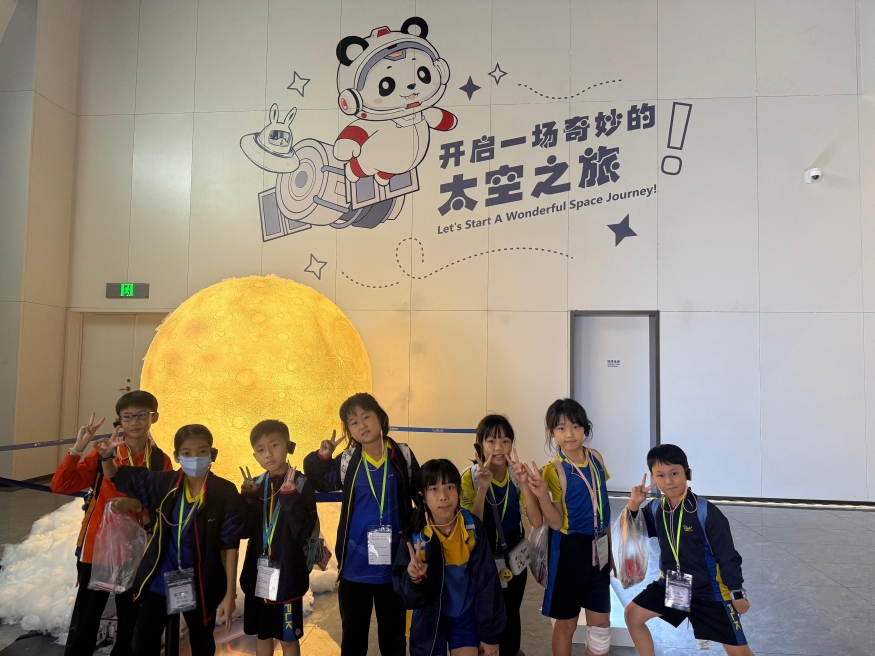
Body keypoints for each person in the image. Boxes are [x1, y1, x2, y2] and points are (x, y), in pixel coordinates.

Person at [95, 424, 244, 656]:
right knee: (143, 644)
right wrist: (106, 456)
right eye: (187, 453)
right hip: (160, 579)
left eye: (202, 451)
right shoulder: (165, 484)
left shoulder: (224, 492)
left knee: (202, 644)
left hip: (202, 582)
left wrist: (229, 595)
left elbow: (230, 546)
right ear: (177, 456)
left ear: (212, 453)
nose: (195, 458)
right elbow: (120, 476)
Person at [51, 391, 173, 656]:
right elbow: (61, 485)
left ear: (154, 417)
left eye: (141, 415)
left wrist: (137, 506)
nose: (134, 422)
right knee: (86, 618)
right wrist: (78, 448)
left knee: (131, 619)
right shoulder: (105, 452)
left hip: (137, 550)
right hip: (97, 548)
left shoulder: (159, 460)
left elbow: (165, 504)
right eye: (127, 416)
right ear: (119, 420)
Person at [303, 392, 419, 656]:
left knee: (394, 639)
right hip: (355, 565)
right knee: (353, 639)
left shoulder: (402, 455)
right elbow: (319, 481)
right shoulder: (347, 461)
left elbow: (421, 493)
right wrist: (322, 456)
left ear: (380, 417)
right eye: (353, 422)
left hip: (395, 565)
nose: (362, 425)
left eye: (366, 417)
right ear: (349, 430)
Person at [624, 444, 754, 656]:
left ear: (687, 473)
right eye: (660, 475)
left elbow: (727, 555)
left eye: (674, 473)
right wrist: (634, 505)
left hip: (709, 591)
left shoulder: (705, 511)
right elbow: (635, 532)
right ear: (653, 478)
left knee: (739, 653)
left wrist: (737, 593)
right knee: (633, 615)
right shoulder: (656, 508)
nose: (668, 481)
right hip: (675, 585)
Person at [522, 399, 613, 656]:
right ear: (551, 432)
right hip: (568, 552)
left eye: (576, 426)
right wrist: (542, 495)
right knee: (566, 624)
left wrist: (610, 549)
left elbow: (603, 505)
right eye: (561, 428)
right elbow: (554, 522)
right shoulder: (554, 470)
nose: (570, 434)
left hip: (599, 547)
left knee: (601, 625)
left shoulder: (596, 458)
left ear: (585, 428)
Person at [393, 459, 505, 656]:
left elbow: (487, 583)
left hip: (464, 616)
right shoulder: (415, 536)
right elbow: (408, 598)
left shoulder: (471, 528)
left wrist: (489, 635)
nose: (443, 496)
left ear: (459, 490)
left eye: (450, 487)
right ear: (423, 497)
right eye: (434, 489)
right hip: (428, 620)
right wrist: (414, 579)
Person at [459, 414, 543, 656]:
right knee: (482, 612)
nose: (498, 447)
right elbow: (472, 526)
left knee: (510, 612)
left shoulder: (517, 476)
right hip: (481, 556)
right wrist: (482, 488)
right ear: (480, 444)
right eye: (491, 441)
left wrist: (524, 484)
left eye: (505, 441)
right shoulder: (469, 477)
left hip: (513, 554)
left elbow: (537, 521)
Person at [239, 420, 317, 656]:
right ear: (255, 456)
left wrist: (290, 497)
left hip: (288, 577)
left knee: (288, 638)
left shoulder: (302, 484)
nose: (268, 454)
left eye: (274, 445)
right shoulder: (256, 485)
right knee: (262, 636)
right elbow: (245, 531)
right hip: (258, 576)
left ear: (288, 446)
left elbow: (303, 532)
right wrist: (249, 499)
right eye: (261, 450)